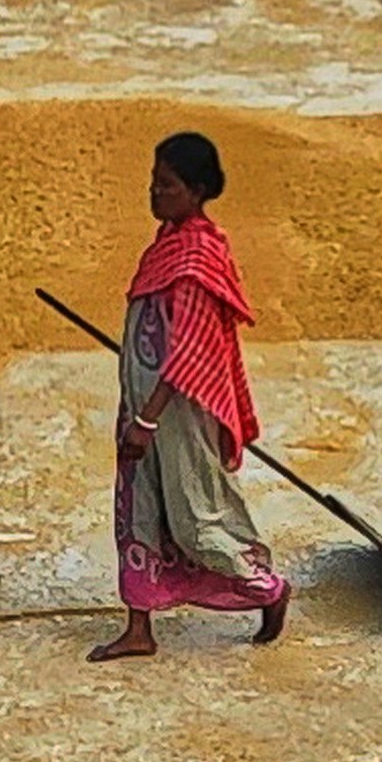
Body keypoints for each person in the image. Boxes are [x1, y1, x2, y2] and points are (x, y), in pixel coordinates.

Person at [92, 130, 291, 664]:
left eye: (168, 185)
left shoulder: (197, 260)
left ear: (197, 191)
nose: (155, 194)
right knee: (137, 510)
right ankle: (138, 628)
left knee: (192, 518)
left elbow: (188, 355)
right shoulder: (167, 244)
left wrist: (148, 421)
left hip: (174, 417)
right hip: (141, 409)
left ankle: (266, 588)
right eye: (153, 183)